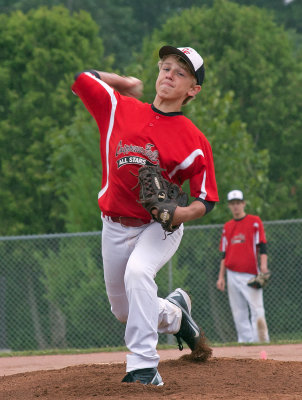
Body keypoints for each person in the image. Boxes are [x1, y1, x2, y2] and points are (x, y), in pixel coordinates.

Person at [71, 45, 219, 385]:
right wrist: (122, 82)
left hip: (159, 227)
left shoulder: (193, 140)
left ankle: (143, 367)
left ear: (193, 90)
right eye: (166, 67)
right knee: (125, 312)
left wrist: (179, 214)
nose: (169, 74)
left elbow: (206, 199)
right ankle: (175, 316)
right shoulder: (116, 108)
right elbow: (84, 79)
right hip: (113, 225)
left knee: (138, 273)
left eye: (180, 72)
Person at [216, 190, 270, 343]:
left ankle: (261, 342)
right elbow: (224, 254)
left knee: (257, 309)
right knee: (238, 311)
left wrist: (264, 266)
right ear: (229, 206)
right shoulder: (227, 227)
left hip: (251, 273)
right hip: (231, 273)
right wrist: (221, 277)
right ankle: (245, 343)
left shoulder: (254, 221)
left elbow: (263, 245)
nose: (236, 206)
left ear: (243, 203)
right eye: (232, 204)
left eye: (238, 203)